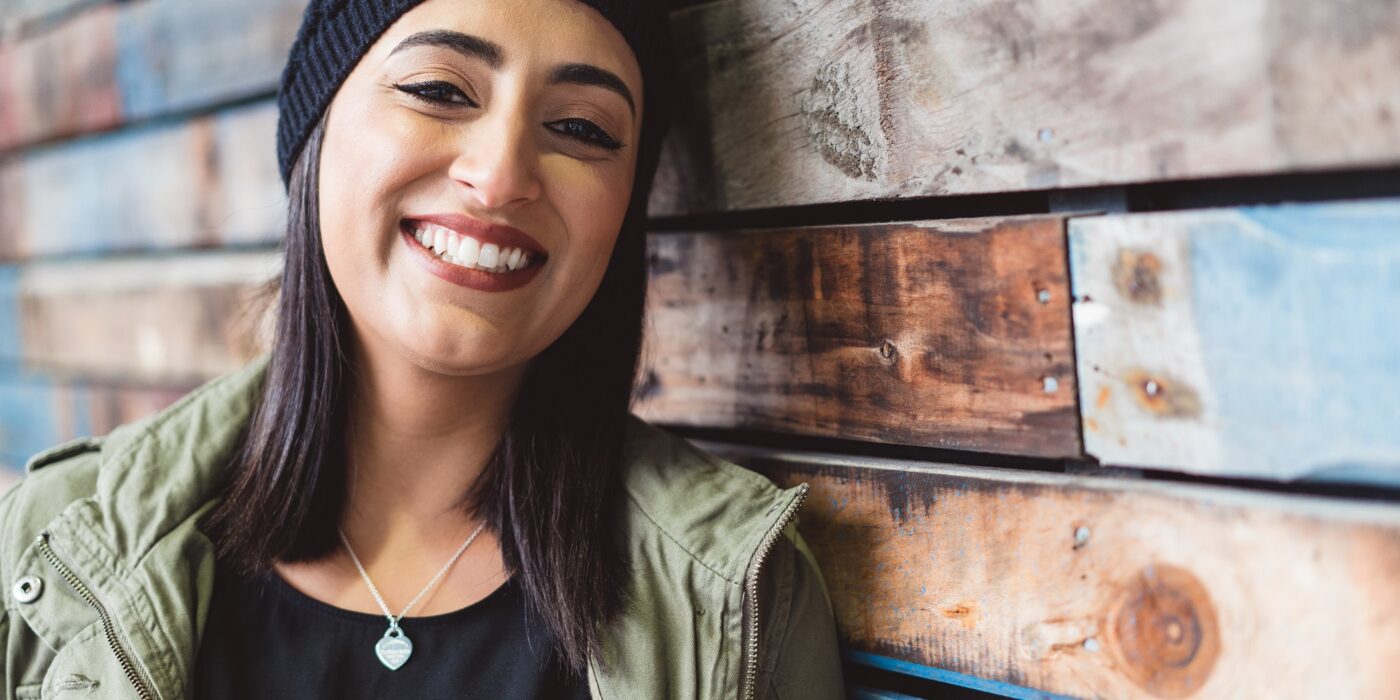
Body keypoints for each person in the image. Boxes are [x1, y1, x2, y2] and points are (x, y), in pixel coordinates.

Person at [0, 0, 845, 697]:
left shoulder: (738, 598)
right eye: (441, 89)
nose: (503, 170)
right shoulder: (47, 559)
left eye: (583, 128)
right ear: (318, 138)